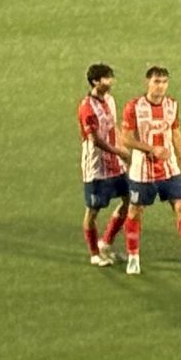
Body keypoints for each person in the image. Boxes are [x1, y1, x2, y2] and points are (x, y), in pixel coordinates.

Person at [117, 65, 181, 274]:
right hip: (142, 171)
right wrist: (152, 149)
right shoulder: (134, 106)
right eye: (156, 82)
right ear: (148, 82)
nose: (161, 86)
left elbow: (176, 133)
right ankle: (133, 257)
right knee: (135, 211)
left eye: (164, 82)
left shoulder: (172, 105)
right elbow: (125, 138)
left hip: (169, 170)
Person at [77, 63, 130, 266]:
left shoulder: (109, 100)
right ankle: (94, 254)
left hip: (115, 164)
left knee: (128, 200)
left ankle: (106, 243)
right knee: (93, 210)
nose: (111, 81)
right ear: (95, 82)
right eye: (106, 78)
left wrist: (123, 147)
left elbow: (113, 127)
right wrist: (119, 152)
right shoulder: (87, 108)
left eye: (111, 77)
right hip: (96, 167)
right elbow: (95, 139)